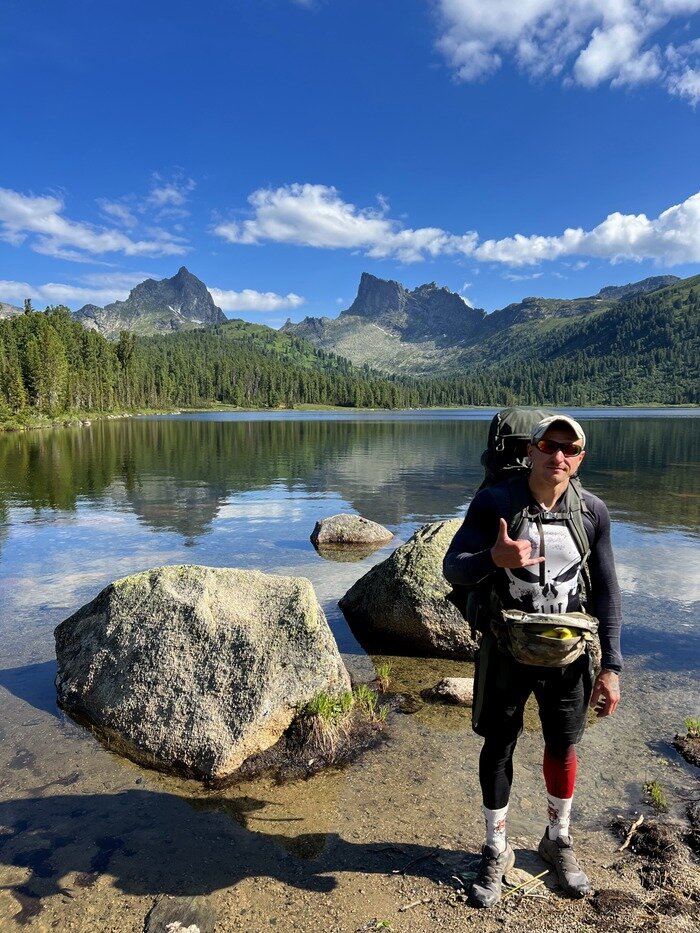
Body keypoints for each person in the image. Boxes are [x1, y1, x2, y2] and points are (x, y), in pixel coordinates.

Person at [443, 414, 622, 908]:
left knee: (563, 746)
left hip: (569, 655)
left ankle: (556, 839)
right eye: (548, 444)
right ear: (531, 450)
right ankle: (496, 847)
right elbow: (452, 567)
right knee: (498, 746)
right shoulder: (496, 502)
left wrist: (612, 667)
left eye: (569, 448)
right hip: (505, 648)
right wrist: (493, 560)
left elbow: (607, 592)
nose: (557, 455)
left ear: (580, 457)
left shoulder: (593, 512)